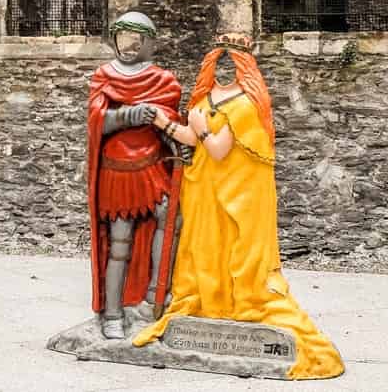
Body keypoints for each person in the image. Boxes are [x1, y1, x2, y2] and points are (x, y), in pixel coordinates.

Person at [132, 37, 343, 380]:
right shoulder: (203, 97)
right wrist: (162, 123)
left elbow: (215, 148)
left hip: (235, 195)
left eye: (232, 61)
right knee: (203, 247)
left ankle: (236, 303)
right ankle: (206, 301)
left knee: (234, 248)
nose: (224, 67)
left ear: (244, 65)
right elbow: (191, 136)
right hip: (203, 191)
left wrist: (199, 131)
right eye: (219, 60)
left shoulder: (246, 106)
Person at [85, 11, 185, 339]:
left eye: (135, 39)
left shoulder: (163, 79)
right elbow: (97, 120)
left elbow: (171, 118)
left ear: (147, 43)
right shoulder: (103, 75)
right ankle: (112, 313)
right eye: (123, 38)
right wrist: (127, 115)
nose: (128, 46)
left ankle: (156, 294)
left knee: (171, 219)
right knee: (119, 242)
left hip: (152, 165)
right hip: (118, 170)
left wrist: (160, 119)